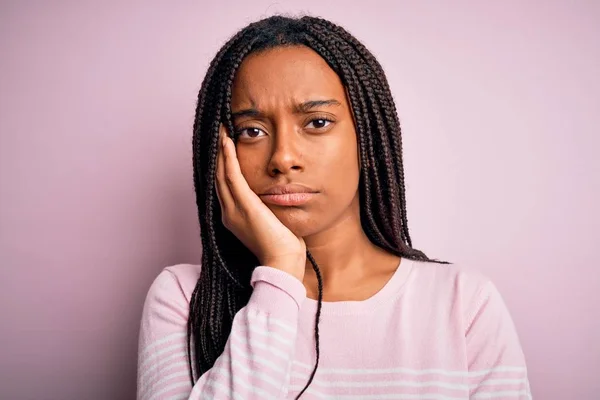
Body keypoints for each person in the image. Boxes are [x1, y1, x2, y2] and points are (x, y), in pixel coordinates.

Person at [136, 15, 532, 400]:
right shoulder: (184, 298)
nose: (283, 158)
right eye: (251, 131)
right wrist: (280, 270)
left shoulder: (462, 303)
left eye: (317, 123)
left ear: (368, 137)